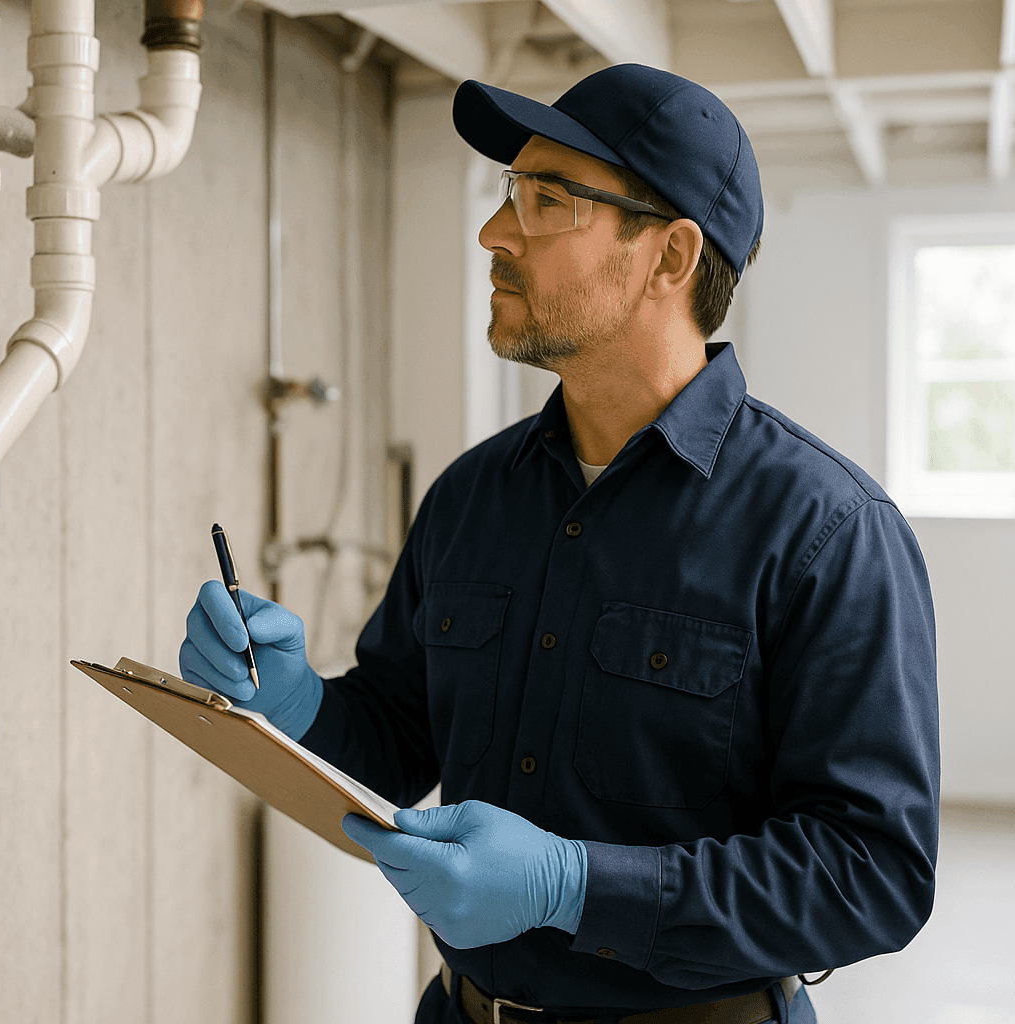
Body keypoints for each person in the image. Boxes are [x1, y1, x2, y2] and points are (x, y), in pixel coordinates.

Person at [180, 63, 940, 1024]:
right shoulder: (471, 497)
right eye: (511, 194)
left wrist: (576, 886)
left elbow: (873, 876)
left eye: (549, 201)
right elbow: (395, 741)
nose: (496, 233)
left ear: (668, 257)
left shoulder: (828, 533)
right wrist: (291, 710)